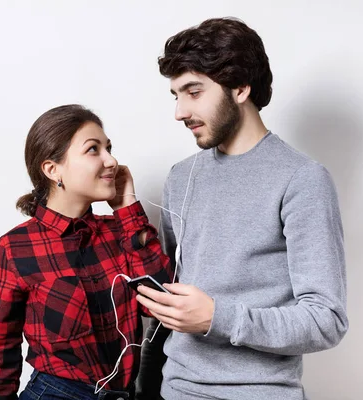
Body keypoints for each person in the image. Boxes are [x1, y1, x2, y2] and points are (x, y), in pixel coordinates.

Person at [135, 17, 349, 400]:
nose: (179, 112)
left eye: (194, 91)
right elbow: (165, 301)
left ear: (240, 87)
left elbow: (325, 321)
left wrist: (219, 318)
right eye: (175, 95)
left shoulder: (302, 179)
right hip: (175, 391)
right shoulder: (181, 177)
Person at [0, 104, 172, 400]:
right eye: (94, 149)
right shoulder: (15, 248)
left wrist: (128, 210)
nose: (112, 160)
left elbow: (165, 303)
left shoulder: (121, 231)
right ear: (52, 169)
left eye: (109, 148)